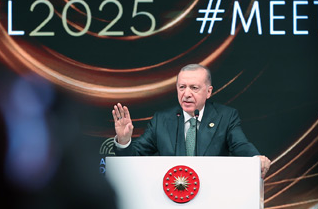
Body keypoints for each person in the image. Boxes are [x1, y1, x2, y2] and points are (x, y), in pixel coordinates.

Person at [111, 64, 271, 178]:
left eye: (194, 88)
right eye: (182, 87)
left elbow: (240, 145)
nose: (186, 94)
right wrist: (124, 141)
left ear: (208, 92)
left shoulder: (225, 116)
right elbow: (135, 157)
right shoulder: (162, 120)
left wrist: (256, 159)